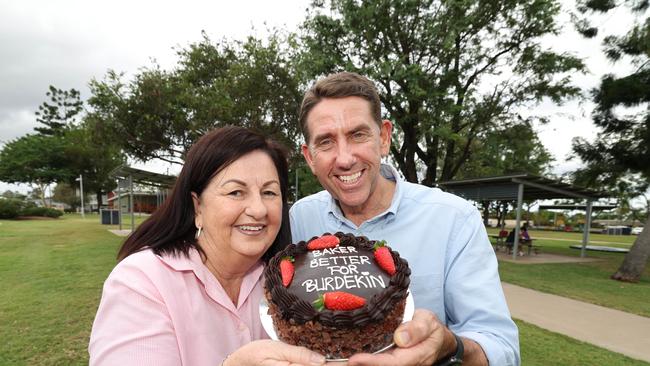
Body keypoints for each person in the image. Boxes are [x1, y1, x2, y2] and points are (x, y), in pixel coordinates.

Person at [290, 72, 520, 366]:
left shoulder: (453, 219)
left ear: (384, 137)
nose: (345, 158)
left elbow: (502, 349)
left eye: (358, 135)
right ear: (310, 158)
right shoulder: (300, 217)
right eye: (326, 142)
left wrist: (450, 347)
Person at [89, 126, 327, 366]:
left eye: (269, 192)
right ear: (197, 207)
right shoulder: (141, 282)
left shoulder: (287, 282)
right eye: (236, 192)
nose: (258, 210)